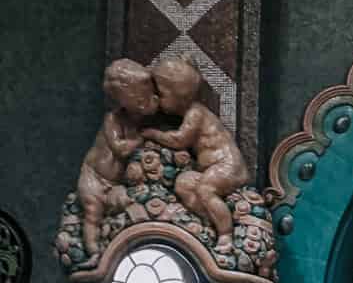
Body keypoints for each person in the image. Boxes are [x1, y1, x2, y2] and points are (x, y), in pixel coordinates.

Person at [139, 55, 249, 249]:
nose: (158, 99)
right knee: (183, 183)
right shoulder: (191, 112)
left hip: (228, 166)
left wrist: (152, 133)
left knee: (205, 190)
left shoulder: (195, 113)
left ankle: (226, 234)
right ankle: (210, 221)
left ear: (177, 95)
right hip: (213, 169)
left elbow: (179, 140)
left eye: (162, 94)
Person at [75, 59, 158, 254]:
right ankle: (93, 251)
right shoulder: (112, 119)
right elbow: (120, 149)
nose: (144, 104)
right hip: (94, 177)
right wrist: (142, 139)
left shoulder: (138, 119)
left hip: (115, 184)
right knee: (92, 213)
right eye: (139, 100)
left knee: (128, 204)